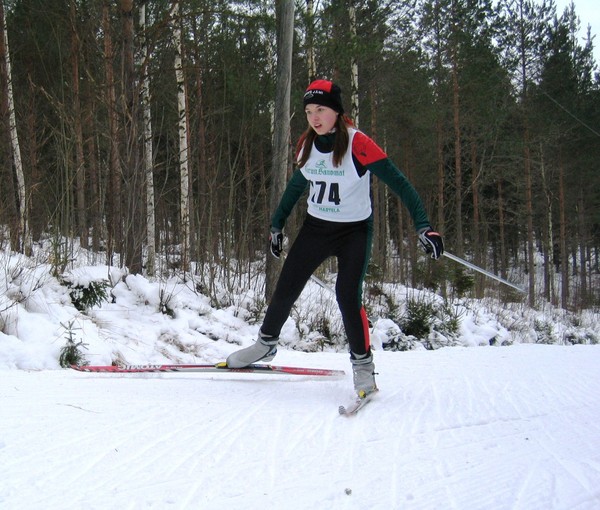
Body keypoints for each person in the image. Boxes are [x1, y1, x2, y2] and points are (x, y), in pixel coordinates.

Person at [226, 79, 443, 398]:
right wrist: (277, 225)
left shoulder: (358, 143)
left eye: (321, 110)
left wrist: (424, 226)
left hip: (354, 231)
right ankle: (265, 344)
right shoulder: (307, 145)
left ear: (337, 111)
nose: (314, 118)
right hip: (316, 228)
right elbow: (297, 185)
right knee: (286, 286)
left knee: (347, 295)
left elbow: (400, 183)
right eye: (309, 112)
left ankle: (363, 367)